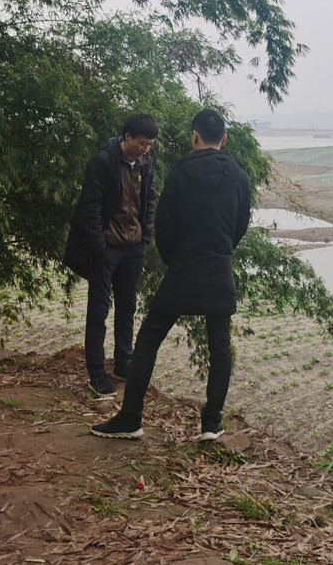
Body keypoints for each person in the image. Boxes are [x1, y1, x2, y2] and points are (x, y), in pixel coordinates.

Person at [91, 107, 251, 442]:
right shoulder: (238, 175)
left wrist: (173, 261)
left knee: (149, 339)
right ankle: (211, 423)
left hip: (183, 269)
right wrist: (222, 250)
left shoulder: (180, 172)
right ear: (223, 139)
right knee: (220, 347)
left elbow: (164, 224)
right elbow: (241, 224)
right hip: (219, 268)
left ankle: (131, 417)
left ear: (194, 136)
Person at [65, 113, 158, 399]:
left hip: (134, 249)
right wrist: (99, 246)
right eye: (142, 143)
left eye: (150, 145)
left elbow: (149, 200)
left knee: (128, 307)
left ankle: (123, 362)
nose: (145, 149)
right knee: (99, 311)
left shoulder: (146, 164)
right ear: (127, 137)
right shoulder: (103, 162)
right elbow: (89, 206)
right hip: (107, 249)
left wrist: (146, 234)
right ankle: (96, 372)